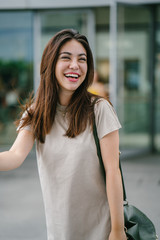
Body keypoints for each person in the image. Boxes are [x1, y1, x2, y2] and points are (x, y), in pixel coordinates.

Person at [0, 29, 127, 240]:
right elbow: (14, 156)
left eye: (82, 59)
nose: (75, 65)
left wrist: (117, 230)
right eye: (66, 58)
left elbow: (113, 171)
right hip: (60, 231)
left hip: (102, 229)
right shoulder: (35, 114)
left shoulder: (99, 109)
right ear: (50, 64)